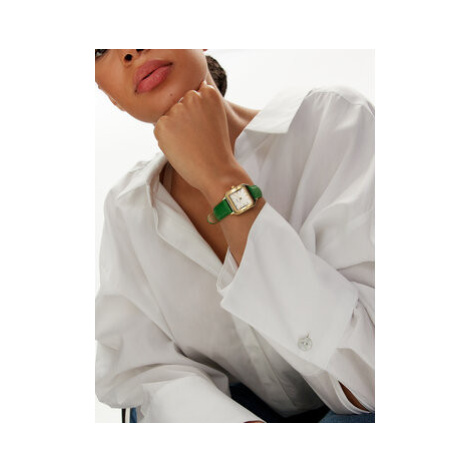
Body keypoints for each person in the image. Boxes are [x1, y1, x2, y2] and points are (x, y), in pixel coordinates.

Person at [95, 49, 375, 423]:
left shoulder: (334, 120)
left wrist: (220, 177)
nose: (129, 50)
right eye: (100, 51)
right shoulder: (128, 208)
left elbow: (373, 376)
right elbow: (143, 371)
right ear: (109, 95)